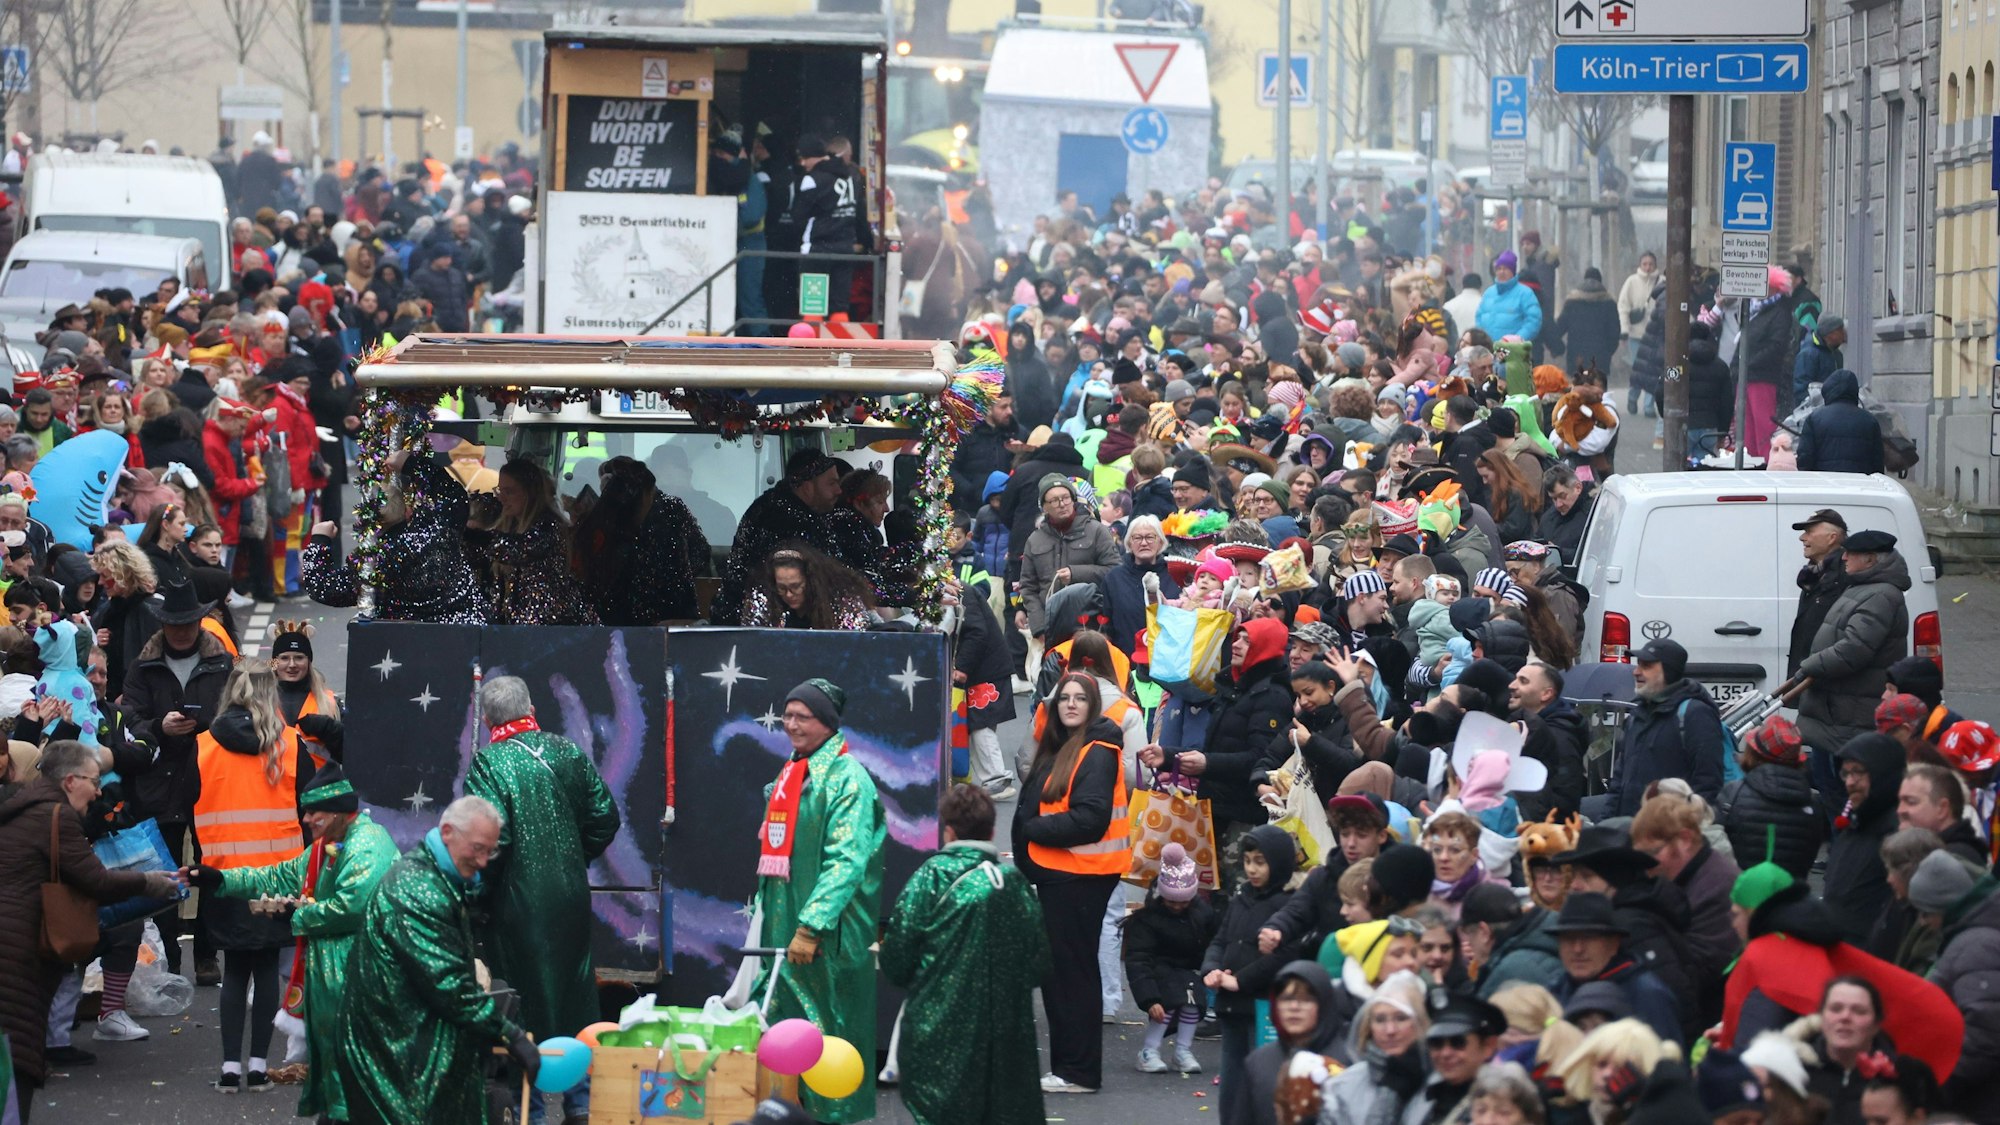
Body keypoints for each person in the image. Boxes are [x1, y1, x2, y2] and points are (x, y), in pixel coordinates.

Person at [182, 762, 399, 1122]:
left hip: (363, 975)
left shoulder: (367, 844)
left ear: (338, 811)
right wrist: (220, 879)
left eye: (314, 812)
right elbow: (279, 875)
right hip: (340, 976)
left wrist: (295, 915)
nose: (307, 819)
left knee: (358, 1068)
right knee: (338, 1069)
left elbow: (353, 906)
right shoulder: (326, 845)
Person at [464, 675, 621, 1124]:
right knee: (574, 993)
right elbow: (605, 817)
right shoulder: (567, 751)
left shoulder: (488, 764)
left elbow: (491, 842)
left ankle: (527, 1108)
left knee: (518, 1001)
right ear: (531, 708)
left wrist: (475, 897)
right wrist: (572, 856)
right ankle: (580, 1102)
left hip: (514, 902)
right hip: (570, 896)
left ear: (488, 719)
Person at [0, 741, 181, 1121]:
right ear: (70, 781)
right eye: (94, 782)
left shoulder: (28, 808)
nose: (99, 792)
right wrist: (148, 881)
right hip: (19, 955)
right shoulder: (55, 815)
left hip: (14, 944)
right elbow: (95, 880)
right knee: (17, 1062)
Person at [337, 796, 542, 1125]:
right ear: (447, 832)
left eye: (490, 852)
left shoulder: (438, 877)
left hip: (406, 1041)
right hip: (397, 1051)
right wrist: (508, 1034)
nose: (483, 861)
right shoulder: (419, 891)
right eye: (478, 848)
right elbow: (449, 985)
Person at [756, 679, 885, 1122]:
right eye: (787, 715)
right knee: (788, 1035)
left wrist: (811, 925)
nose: (791, 725)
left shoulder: (848, 779)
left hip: (829, 938)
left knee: (830, 1035)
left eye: (803, 717)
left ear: (827, 723)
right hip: (785, 930)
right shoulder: (792, 773)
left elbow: (846, 861)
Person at [881, 784, 1048, 1125]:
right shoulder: (1014, 882)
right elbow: (1039, 962)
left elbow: (897, 957)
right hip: (1007, 1033)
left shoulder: (932, 876)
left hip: (941, 1026)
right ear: (992, 831)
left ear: (949, 830)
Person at [192, 658, 316, 1093]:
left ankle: (230, 1067)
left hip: (223, 874)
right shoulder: (291, 745)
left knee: (234, 971)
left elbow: (189, 803)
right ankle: (260, 1065)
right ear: (270, 694)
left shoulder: (203, 745)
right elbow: (311, 811)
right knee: (265, 969)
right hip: (278, 877)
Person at [1015, 672, 1129, 1095]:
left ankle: (1078, 1072)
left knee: (1072, 976)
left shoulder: (1096, 751)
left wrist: (1033, 829)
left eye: (1081, 698)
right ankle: (1070, 1069)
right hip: (1065, 874)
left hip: (1080, 876)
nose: (1071, 705)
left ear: (1093, 705)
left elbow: (1090, 818)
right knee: (1064, 974)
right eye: (1065, 698)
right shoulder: (1068, 744)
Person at [121, 570, 235, 982]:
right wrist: (159, 727)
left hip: (209, 778)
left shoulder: (222, 662)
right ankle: (169, 958)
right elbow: (128, 718)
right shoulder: (143, 666)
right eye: (175, 624)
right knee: (165, 873)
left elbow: (237, 713)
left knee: (210, 869)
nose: (183, 631)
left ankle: (206, 955)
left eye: (189, 623)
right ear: (164, 625)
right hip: (160, 780)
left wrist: (210, 729)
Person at [303, 449, 487, 624]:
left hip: (407, 639)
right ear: (408, 511)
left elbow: (323, 587)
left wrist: (320, 540)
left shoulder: (377, 560)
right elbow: (452, 495)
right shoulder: (438, 530)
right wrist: (411, 464)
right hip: (466, 629)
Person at [1796, 529, 1910, 766]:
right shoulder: (1863, 588)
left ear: (1870, 559)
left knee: (1839, 781)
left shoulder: (1880, 595)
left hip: (1849, 717)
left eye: (1850, 553)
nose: (1844, 557)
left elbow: (1854, 649)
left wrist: (1809, 666)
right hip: (1839, 714)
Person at [1594, 639, 1724, 818]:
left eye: (1646, 666)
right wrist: (1606, 825)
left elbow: (1708, 783)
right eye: (1638, 665)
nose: (1636, 672)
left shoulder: (1695, 714)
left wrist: (1683, 825)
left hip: (1670, 829)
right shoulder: (1637, 715)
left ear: (1669, 672)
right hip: (1631, 828)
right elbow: (1619, 781)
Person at [464, 458, 599, 625]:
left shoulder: (549, 528)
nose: (501, 498)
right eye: (499, 490)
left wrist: (475, 535)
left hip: (553, 626)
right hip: (517, 626)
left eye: (509, 492)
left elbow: (519, 549)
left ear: (530, 492)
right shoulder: (508, 528)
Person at [720, 448, 842, 622]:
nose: (839, 491)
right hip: (765, 623)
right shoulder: (789, 520)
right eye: (831, 483)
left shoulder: (768, 505)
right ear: (807, 487)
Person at [1547, 893, 1684, 1046]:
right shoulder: (1556, 991)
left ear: (1614, 944)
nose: (1578, 949)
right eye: (1568, 939)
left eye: (1589, 938)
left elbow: (1666, 1056)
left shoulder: (1647, 994)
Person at [1718, 716, 1827, 881]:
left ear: (1754, 754)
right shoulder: (1813, 806)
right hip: (1792, 893)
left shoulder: (1733, 794)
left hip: (1742, 891)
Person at [1825, 734, 1908, 945]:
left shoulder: (1899, 832)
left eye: (1858, 772)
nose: (1850, 782)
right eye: (1846, 773)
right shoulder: (1855, 823)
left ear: (1883, 774)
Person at [1018, 474, 1120, 639]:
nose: (1062, 504)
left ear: (1073, 500)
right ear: (1044, 507)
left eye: (1066, 498)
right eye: (1054, 500)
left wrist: (1075, 574)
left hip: (1091, 627)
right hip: (1050, 628)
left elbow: (1114, 571)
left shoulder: (1096, 531)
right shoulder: (1034, 539)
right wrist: (1039, 628)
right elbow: (1028, 586)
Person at [1324, 970, 1433, 1123]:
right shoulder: (1342, 1086)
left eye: (1401, 1018)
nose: (1390, 1030)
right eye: (1380, 1020)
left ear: (1421, 1022)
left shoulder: (1444, 1082)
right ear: (1369, 1027)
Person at [1407, 991, 1508, 1123]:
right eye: (1436, 1043)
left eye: (1458, 1043)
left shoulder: (1506, 1101)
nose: (1445, 1053)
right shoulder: (1422, 1094)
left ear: (1488, 1046)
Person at [741, 542, 877, 629]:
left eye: (796, 586)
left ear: (811, 582)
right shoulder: (766, 600)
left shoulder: (841, 601)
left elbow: (856, 644)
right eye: (782, 588)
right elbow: (753, 641)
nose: (789, 594)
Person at [1788, 509, 1849, 680]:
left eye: (1809, 532)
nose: (1802, 538)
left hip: (1829, 678)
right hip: (1811, 675)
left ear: (1832, 538)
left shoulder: (1846, 575)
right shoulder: (1812, 576)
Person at [1797, 370, 1885, 474]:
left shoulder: (1814, 419)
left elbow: (1805, 459)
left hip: (1824, 482)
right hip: (1860, 483)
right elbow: (1877, 463)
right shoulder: (1870, 421)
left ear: (1827, 390)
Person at [1545, 267, 1621, 374]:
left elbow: (1559, 328)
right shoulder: (1609, 304)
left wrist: (1555, 348)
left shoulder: (1572, 302)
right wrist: (1608, 352)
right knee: (1597, 384)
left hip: (1576, 358)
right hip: (1600, 360)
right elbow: (1615, 333)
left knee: (1578, 384)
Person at [1476, 251, 1542, 345]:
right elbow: (1479, 317)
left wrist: (1516, 340)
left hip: (1513, 350)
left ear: (1513, 271)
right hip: (1488, 349)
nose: (1502, 272)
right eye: (1499, 269)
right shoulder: (1488, 293)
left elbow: (1533, 321)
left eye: (1506, 269)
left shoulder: (1525, 293)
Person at [1537, 464, 1594, 570]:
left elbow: (1591, 556)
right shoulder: (1548, 517)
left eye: (1563, 496)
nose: (1558, 504)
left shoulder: (1593, 516)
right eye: (1554, 499)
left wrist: (1559, 552)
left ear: (1578, 488)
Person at [1793, 315, 1846, 408]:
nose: (1844, 334)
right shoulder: (1809, 354)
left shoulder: (1837, 354)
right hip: (1814, 408)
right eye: (1840, 330)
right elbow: (1801, 387)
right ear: (1829, 333)